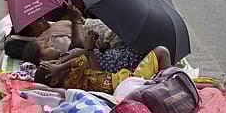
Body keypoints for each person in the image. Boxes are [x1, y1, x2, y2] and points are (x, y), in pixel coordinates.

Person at [35, 32, 172, 95]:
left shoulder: (77, 76)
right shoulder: (72, 79)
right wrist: (59, 65)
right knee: (162, 51)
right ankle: (172, 87)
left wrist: (59, 63)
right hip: (125, 80)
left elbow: (91, 63)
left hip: (122, 78)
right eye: (51, 65)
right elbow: (81, 58)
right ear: (54, 81)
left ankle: (169, 82)